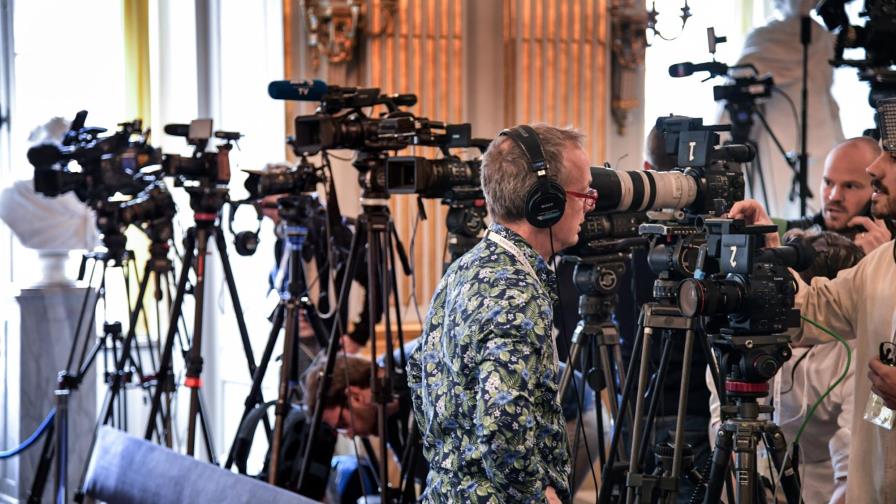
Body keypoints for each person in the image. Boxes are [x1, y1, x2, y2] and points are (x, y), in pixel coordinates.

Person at [408, 124, 594, 503]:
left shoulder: (464, 268)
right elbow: (504, 421)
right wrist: (538, 495)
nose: (590, 204)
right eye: (583, 193)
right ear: (547, 202)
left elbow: (418, 373)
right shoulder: (515, 290)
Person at [727, 126, 896, 502]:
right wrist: (767, 252)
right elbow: (811, 309)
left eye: (892, 157)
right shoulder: (881, 265)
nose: (876, 169)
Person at [707, 229, 861, 504]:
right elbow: (721, 419)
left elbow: (852, 459)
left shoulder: (853, 352)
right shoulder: (745, 338)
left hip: (824, 491)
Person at [719, 0, 844, 218]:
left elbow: (737, 80)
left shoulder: (767, 36)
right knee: (780, 202)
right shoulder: (820, 36)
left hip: (803, 129)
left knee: (809, 202)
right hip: (792, 128)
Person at [776, 137, 892, 253]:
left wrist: (881, 259)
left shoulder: (889, 250)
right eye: (828, 182)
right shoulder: (807, 227)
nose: (834, 196)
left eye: (850, 186)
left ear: (877, 191)